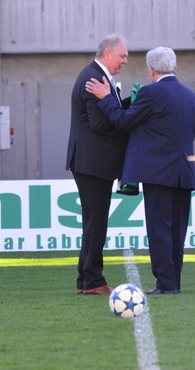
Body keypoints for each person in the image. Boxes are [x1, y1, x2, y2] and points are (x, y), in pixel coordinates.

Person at [84, 46, 195, 295]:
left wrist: (106, 98)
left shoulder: (151, 92)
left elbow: (123, 121)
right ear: (175, 67)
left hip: (158, 173)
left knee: (159, 230)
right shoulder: (190, 95)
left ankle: (165, 284)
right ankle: (173, 283)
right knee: (177, 231)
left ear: (151, 70)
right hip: (184, 171)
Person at [66, 34, 130, 296]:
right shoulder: (94, 78)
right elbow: (101, 124)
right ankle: (92, 280)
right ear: (107, 53)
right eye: (122, 56)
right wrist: (129, 125)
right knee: (96, 223)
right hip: (92, 162)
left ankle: (86, 279)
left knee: (94, 222)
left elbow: (108, 112)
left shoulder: (97, 75)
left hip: (92, 161)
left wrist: (130, 104)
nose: (125, 61)